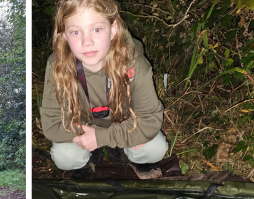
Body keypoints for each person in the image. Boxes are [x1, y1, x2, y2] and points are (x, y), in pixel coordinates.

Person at [40, 0, 168, 180]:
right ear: (63, 36)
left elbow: (150, 120)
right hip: (83, 129)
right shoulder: (57, 66)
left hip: (122, 125)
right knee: (65, 157)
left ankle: (126, 154)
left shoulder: (133, 62)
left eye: (97, 29)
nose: (87, 42)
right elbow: (51, 126)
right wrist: (90, 135)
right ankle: (89, 158)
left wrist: (104, 136)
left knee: (155, 149)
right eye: (75, 32)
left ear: (113, 29)